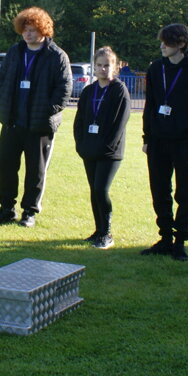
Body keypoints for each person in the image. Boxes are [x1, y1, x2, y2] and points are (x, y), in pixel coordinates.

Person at [0, 7, 72, 228]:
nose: (28, 34)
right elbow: (1, 79)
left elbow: (64, 88)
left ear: (43, 30)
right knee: (5, 167)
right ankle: (6, 209)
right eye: (25, 29)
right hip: (13, 123)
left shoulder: (57, 56)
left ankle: (29, 212)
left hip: (39, 125)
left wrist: (47, 111)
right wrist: (4, 104)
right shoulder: (15, 52)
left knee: (35, 171)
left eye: (33, 30)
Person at [139, 23, 188, 261]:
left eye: (167, 42)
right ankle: (165, 238)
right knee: (160, 191)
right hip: (158, 141)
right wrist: (147, 137)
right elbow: (150, 105)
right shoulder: (156, 68)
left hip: (183, 143)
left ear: (181, 44)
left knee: (184, 194)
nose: (162, 46)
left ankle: (180, 241)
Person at [72, 46, 131, 248]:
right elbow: (79, 121)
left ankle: (107, 234)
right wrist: (80, 144)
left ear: (115, 67)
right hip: (89, 150)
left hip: (109, 153)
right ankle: (98, 230)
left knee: (101, 189)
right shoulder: (89, 91)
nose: (103, 69)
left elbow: (119, 123)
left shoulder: (119, 90)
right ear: (94, 67)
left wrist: (107, 147)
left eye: (107, 65)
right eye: (99, 65)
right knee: (93, 190)